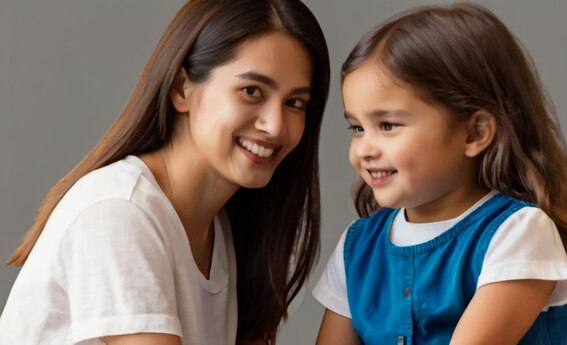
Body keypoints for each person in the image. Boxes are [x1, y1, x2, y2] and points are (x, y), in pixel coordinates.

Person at [0, 0, 329, 344]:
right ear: (180, 88)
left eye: (295, 103)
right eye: (251, 91)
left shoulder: (223, 230)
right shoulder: (120, 211)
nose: (275, 125)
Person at [313, 3, 567, 344]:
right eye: (358, 128)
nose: (364, 149)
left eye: (387, 125)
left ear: (474, 133)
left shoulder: (518, 234)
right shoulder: (357, 246)